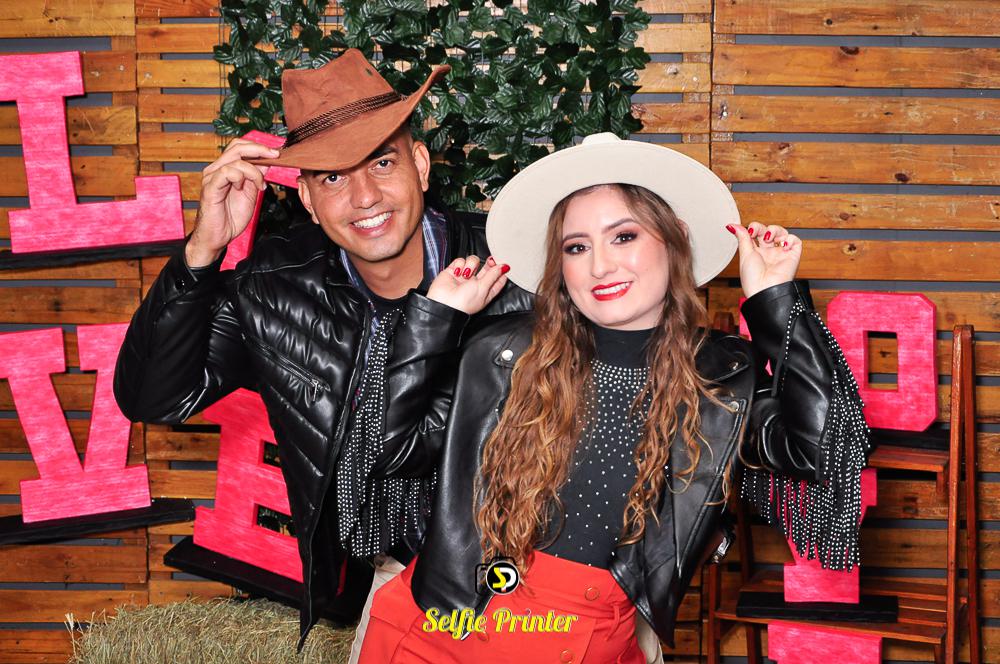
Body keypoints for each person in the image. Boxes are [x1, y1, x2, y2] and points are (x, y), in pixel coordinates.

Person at [357, 133, 870, 663]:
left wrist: (775, 301)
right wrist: (435, 320)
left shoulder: (722, 376)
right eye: (576, 247)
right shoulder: (504, 351)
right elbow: (388, 449)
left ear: (675, 238)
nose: (599, 266)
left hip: (598, 638)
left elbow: (824, 450)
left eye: (623, 237)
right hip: (443, 628)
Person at [113, 49, 531, 657]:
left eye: (381, 162)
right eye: (333, 177)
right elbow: (154, 397)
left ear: (419, 164)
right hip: (393, 580)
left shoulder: (516, 274)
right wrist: (203, 250)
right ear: (307, 199)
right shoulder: (277, 288)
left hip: (531, 572)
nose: (364, 197)